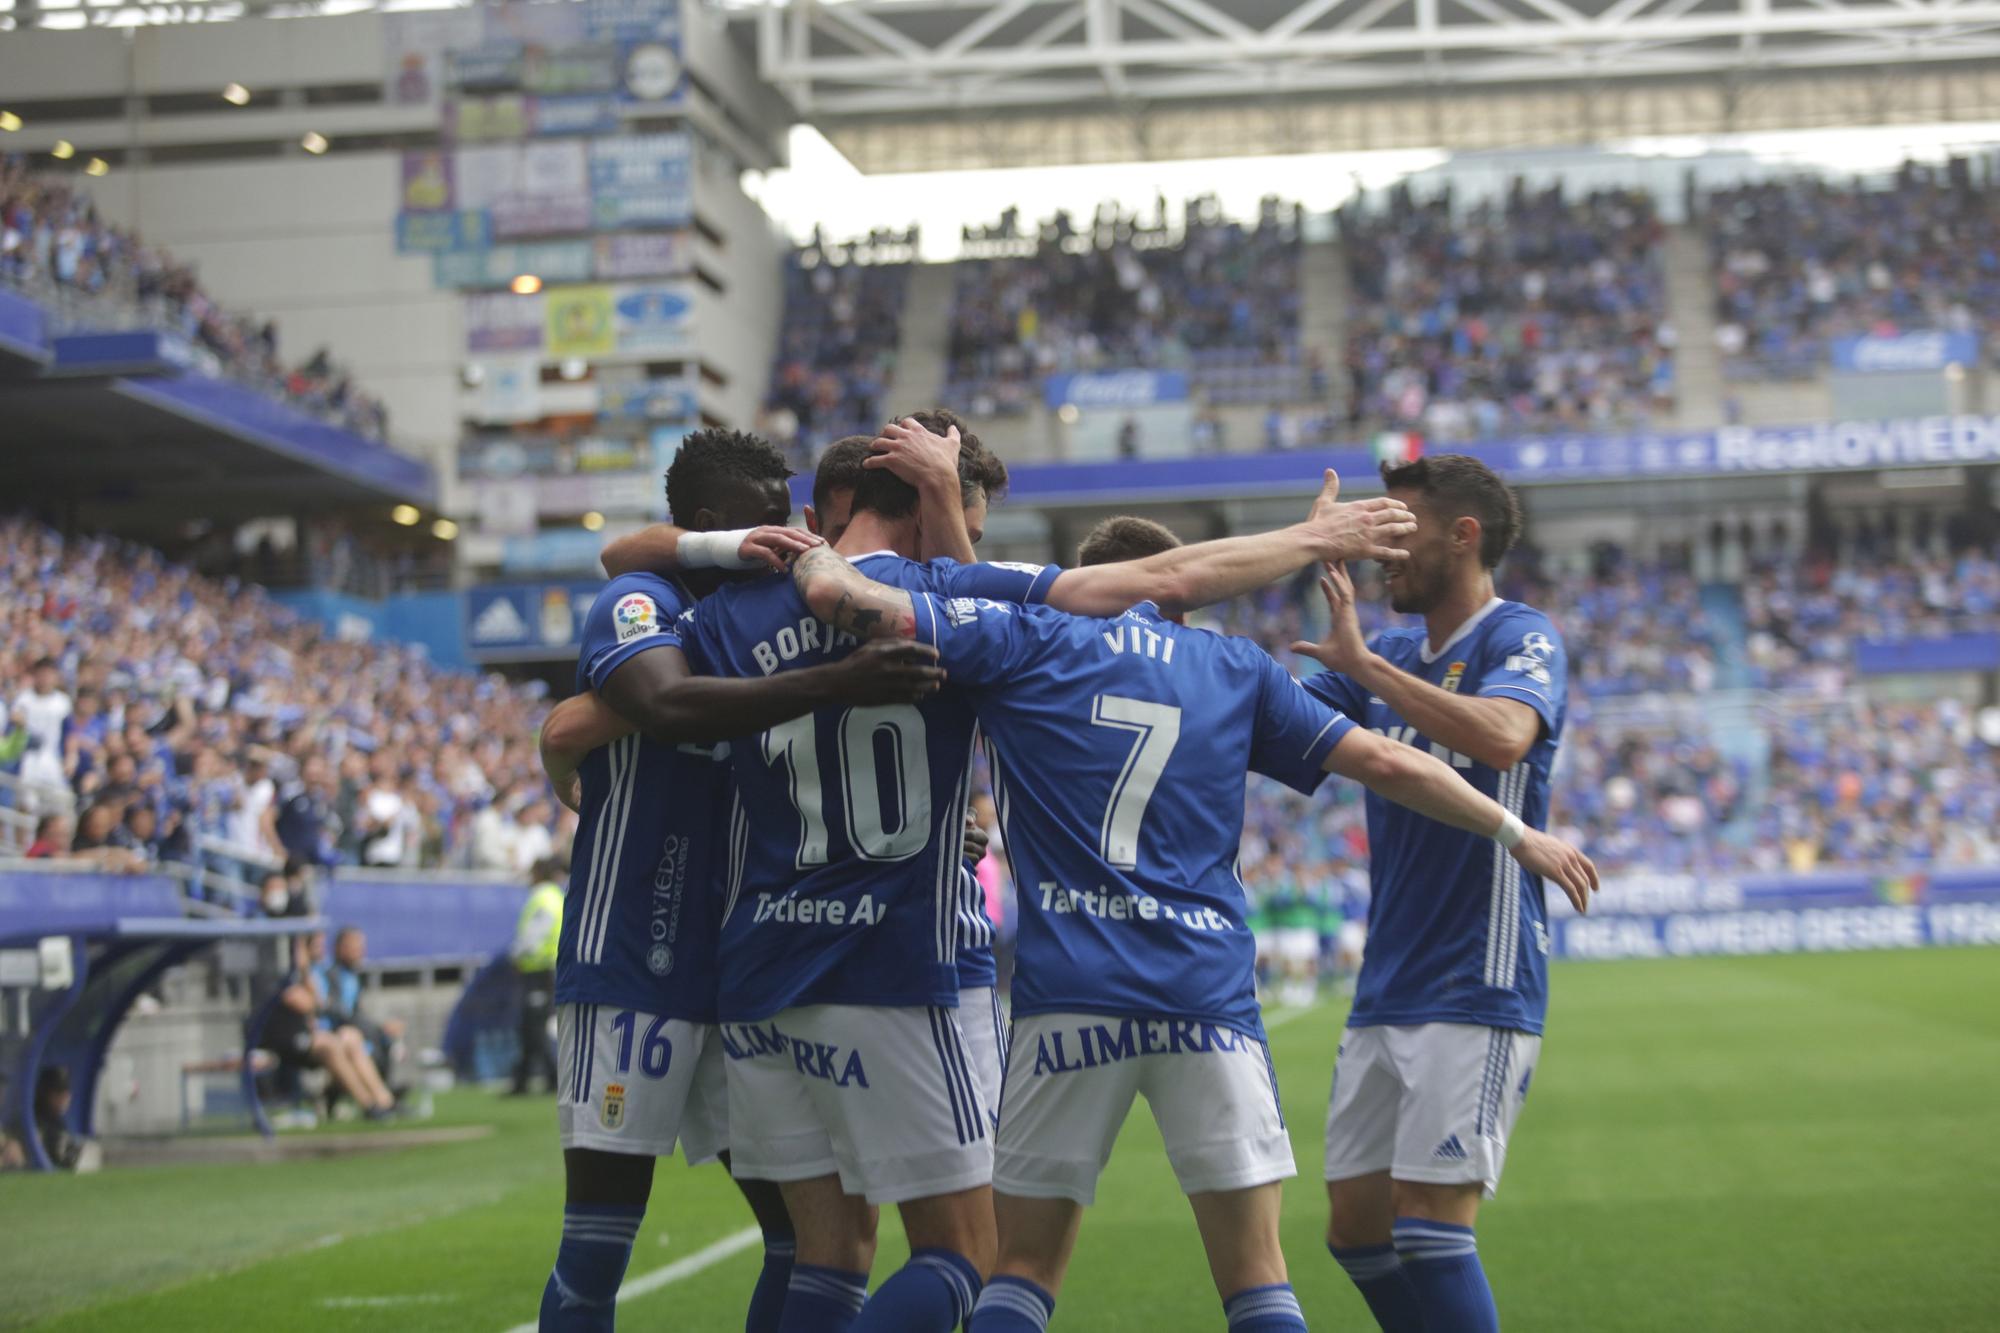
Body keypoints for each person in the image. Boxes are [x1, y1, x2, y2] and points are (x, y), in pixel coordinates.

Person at [787, 512, 1597, 1333]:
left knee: (1022, 1270)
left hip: (1069, 991)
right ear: (1182, 590)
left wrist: (816, 545)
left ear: (1088, 583)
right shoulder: (1232, 665)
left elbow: (848, 599)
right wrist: (1517, 832)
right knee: (1257, 1278)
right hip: (1206, 998)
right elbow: (1386, 760)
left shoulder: (1030, 640)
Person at [672, 453, 1418, 1333]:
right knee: (970, 1254)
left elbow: (616, 695)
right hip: (911, 965)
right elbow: (1170, 588)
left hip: (768, 960)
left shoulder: (726, 611)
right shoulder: (1098, 633)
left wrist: (745, 550)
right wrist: (1317, 539)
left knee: (824, 1255)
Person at [528, 427, 946, 1333]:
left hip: (745, 974)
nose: (790, 530)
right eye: (768, 514)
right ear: (716, 524)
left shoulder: (772, 617)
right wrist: (839, 680)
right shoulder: (640, 601)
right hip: (633, 959)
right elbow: (664, 705)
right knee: (597, 1249)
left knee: (810, 1240)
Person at [1292, 454, 1574, 1333]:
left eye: (1398, 529)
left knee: (1432, 1227)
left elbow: (1503, 737)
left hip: (1476, 974)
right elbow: (1262, 715)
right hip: (1388, 980)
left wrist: (1370, 670)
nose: (1384, 550)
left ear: (1465, 535)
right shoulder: (1390, 653)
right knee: (1355, 1229)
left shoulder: (1518, 635)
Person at [260, 934, 396, 1118]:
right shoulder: (286, 976)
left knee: (351, 1037)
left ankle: (384, 1100)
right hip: (289, 1039)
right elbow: (311, 1003)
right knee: (332, 1045)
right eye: (315, 945)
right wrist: (304, 970)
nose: (321, 950)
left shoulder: (317, 973)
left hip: (314, 1036)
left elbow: (319, 1003)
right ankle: (368, 1105)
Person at [322, 927, 405, 1096]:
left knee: (385, 1039)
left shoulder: (353, 976)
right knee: (365, 1039)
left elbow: (356, 1011)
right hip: (335, 1032)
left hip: (353, 1029)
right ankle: (380, 1098)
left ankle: (385, 1090)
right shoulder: (332, 975)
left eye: (361, 946)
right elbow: (338, 1011)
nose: (360, 951)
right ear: (340, 948)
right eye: (354, 945)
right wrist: (377, 1027)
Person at [510, 860, 563, 1097]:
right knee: (531, 1026)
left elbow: (533, 936)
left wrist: (518, 955)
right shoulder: (558, 897)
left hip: (539, 971)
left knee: (534, 1027)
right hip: (549, 969)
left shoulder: (543, 899)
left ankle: (551, 1077)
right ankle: (523, 1079)